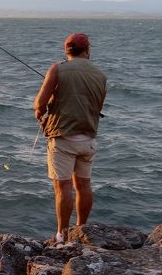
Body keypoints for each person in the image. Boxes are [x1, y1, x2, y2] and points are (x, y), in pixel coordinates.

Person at [33, 32, 107, 244]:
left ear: (67, 51)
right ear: (88, 50)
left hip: (62, 138)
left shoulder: (57, 69)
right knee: (84, 185)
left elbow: (40, 104)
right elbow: (97, 106)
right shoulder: (100, 75)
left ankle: (62, 235)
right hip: (88, 138)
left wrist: (41, 112)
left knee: (63, 187)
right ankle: (80, 230)